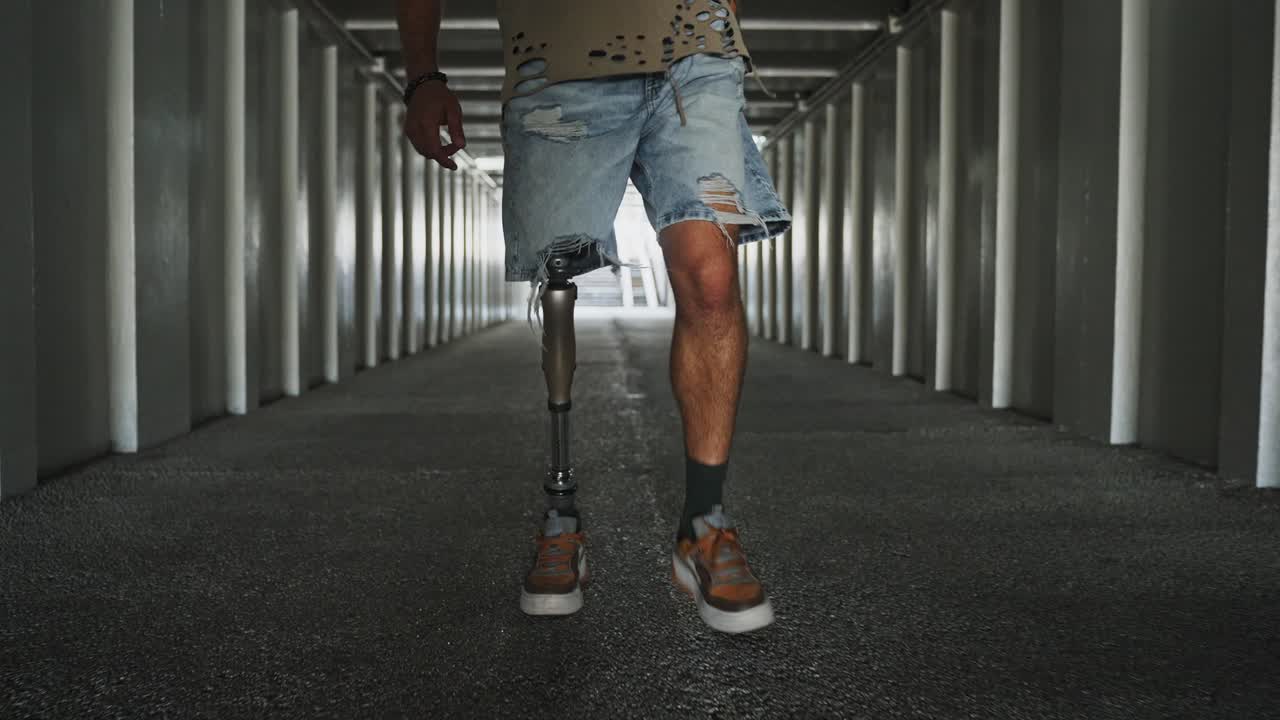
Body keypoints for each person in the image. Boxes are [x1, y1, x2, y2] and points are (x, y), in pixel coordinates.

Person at [396, 0, 791, 634]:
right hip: (558, 52)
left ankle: (704, 523)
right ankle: (561, 517)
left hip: (694, 50)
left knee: (711, 277)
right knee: (558, 278)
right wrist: (423, 76)